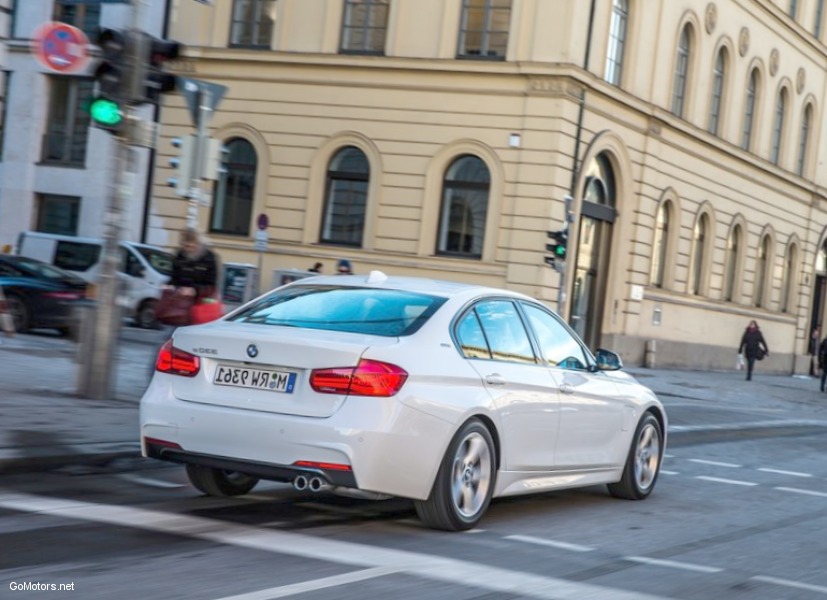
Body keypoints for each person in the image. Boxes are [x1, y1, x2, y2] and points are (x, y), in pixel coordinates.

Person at [170, 228, 219, 306]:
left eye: (191, 245)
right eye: (185, 246)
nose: (188, 249)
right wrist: (175, 287)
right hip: (181, 303)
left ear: (198, 243)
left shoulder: (209, 257)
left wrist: (195, 290)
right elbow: (174, 277)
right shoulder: (179, 255)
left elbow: (211, 285)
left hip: (201, 304)